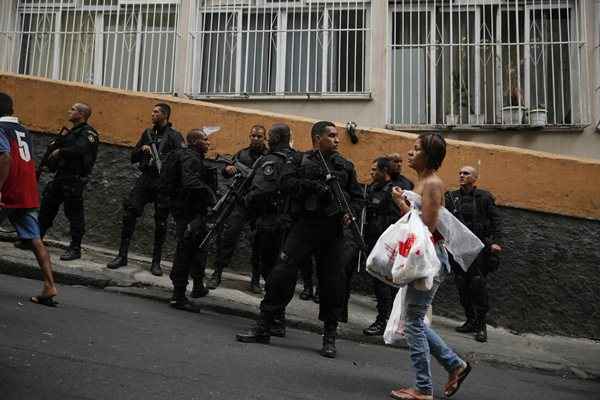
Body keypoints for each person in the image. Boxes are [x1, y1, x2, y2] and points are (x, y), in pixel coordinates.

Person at [236, 121, 363, 359]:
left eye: (337, 136)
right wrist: (316, 187)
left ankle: (329, 336)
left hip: (332, 232)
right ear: (317, 138)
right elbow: (286, 183)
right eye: (331, 135)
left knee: (332, 283)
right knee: (280, 274)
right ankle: (264, 324)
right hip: (304, 227)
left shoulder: (345, 166)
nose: (337, 140)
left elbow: (357, 197)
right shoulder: (299, 160)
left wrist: (350, 211)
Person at [389, 133, 471, 400]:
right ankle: (455, 365)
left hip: (430, 260)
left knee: (413, 321)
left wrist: (402, 204)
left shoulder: (433, 184)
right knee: (415, 320)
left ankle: (423, 388)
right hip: (422, 257)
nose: (410, 153)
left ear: (429, 156)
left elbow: (427, 229)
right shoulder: (422, 181)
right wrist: (405, 202)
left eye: (416, 149)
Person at [107, 103, 184, 276]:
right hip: (146, 179)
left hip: (163, 182)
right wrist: (142, 150)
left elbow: (181, 161)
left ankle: (156, 262)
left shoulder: (175, 136)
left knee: (161, 222)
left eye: (156, 112)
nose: (152, 114)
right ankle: (122, 255)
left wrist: (164, 163)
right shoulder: (148, 134)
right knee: (130, 213)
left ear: (165, 115)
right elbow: (132, 158)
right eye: (152, 111)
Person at [0, 92, 58, 306]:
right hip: (27, 189)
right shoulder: (23, 130)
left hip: (7, 189)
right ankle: (50, 285)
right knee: (35, 239)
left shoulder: (0, 128)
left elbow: (5, 156)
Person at [243, 123, 297, 336]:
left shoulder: (270, 160)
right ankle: (278, 317)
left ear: (274, 138)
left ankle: (274, 317)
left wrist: (248, 200)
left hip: (271, 223)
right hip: (291, 225)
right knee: (283, 271)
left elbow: (260, 192)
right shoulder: (298, 158)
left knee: (270, 270)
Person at [159, 128, 217, 312]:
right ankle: (178, 296)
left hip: (183, 210)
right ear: (194, 142)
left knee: (192, 249)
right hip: (188, 212)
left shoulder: (185, 155)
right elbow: (190, 182)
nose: (208, 143)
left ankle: (193, 287)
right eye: (205, 140)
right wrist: (210, 195)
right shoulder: (191, 158)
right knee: (185, 251)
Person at [207, 125, 267, 293]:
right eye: (253, 135)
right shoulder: (242, 154)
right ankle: (217, 273)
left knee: (259, 243)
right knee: (228, 236)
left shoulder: (268, 157)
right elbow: (227, 171)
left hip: (258, 206)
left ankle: (255, 279)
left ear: (265, 138)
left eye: (259, 136)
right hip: (240, 202)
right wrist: (228, 170)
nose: (255, 139)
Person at [445, 166, 502, 343]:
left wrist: (496, 242)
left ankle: (481, 325)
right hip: (459, 248)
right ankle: (470, 319)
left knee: (478, 285)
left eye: (466, 173)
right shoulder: (452, 198)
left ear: (475, 178)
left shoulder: (484, 197)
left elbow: (496, 221)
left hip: (479, 249)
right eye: (460, 173)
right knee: (462, 284)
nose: (461, 175)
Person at [37, 102, 99, 261]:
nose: (69, 111)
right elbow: (54, 151)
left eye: (72, 109)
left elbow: (80, 149)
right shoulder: (70, 132)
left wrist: (60, 151)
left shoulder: (88, 133)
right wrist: (47, 165)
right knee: (46, 208)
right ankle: (35, 241)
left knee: (74, 215)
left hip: (74, 179)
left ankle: (75, 248)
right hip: (61, 176)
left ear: (82, 114)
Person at [362, 157, 404, 336]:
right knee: (378, 283)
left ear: (384, 171)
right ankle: (386, 320)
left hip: (388, 246)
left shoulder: (393, 191)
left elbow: (399, 221)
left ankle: (384, 321)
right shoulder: (373, 188)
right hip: (374, 242)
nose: (371, 173)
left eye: (374, 170)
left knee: (385, 284)